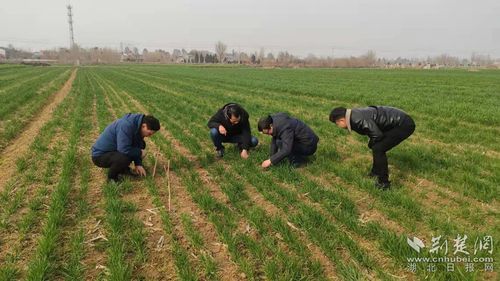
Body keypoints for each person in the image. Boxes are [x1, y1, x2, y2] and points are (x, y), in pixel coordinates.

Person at [329, 106, 415, 189]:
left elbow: (377, 135)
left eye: (337, 124)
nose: (338, 126)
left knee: (379, 148)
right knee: (376, 147)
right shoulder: (354, 115)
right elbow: (373, 131)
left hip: (404, 124)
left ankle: (383, 183)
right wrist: (371, 143)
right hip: (397, 122)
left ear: (342, 120)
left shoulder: (357, 119)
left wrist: (371, 143)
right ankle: (375, 172)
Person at [91, 113, 160, 183]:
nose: (149, 136)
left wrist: (138, 164)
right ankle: (112, 178)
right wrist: (140, 153)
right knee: (124, 157)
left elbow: (137, 145)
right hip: (100, 156)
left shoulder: (137, 127)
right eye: (149, 133)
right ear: (143, 126)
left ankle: (123, 170)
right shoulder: (126, 126)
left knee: (141, 145)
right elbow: (123, 149)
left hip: (113, 152)